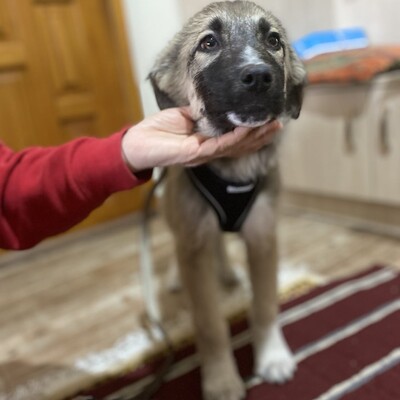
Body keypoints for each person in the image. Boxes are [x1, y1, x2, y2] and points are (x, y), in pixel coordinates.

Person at [0, 107, 281, 250]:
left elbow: (9, 191)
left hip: (248, 164)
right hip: (194, 178)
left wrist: (121, 152)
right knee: (192, 245)